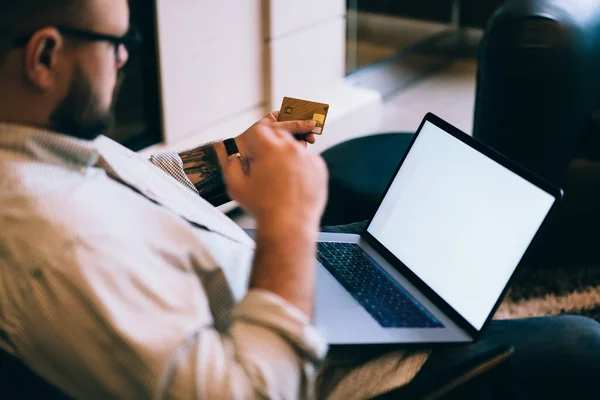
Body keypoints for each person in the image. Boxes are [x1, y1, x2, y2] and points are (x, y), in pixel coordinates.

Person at [0, 1, 599, 399]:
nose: (126, 56)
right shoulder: (57, 243)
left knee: (403, 231)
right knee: (580, 346)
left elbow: (134, 180)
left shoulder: (43, 153)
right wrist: (286, 225)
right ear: (45, 56)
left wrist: (236, 152)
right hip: (334, 374)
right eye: (115, 41)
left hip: (263, 281)